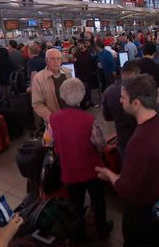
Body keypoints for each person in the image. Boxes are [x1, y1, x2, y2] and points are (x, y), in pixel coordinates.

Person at [96, 74, 159, 247]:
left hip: (140, 206)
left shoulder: (139, 141)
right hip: (157, 196)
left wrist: (109, 174)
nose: (120, 101)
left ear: (136, 103)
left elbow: (126, 188)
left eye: (123, 98)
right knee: (154, 234)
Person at [44, 78, 113, 239]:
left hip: (69, 168)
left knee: (76, 202)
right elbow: (101, 145)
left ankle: (78, 233)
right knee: (98, 200)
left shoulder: (53, 119)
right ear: (82, 96)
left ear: (62, 96)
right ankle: (102, 229)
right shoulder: (89, 120)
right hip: (92, 169)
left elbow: (47, 142)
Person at [102, 61, 140, 157]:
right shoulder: (144, 90)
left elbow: (107, 117)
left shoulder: (109, 92)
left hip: (123, 138)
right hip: (142, 137)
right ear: (136, 73)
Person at [31, 48, 72, 123]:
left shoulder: (68, 72)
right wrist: (51, 118)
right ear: (46, 61)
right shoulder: (38, 78)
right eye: (53, 59)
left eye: (58, 58)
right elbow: (37, 103)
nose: (56, 61)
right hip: (54, 119)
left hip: (70, 115)